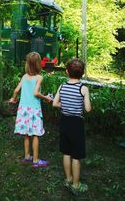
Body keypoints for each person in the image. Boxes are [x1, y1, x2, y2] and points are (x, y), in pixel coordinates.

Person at [53, 58, 91, 194]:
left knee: (66, 152)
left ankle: (68, 178)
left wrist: (65, 105)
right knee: (76, 155)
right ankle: (76, 185)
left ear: (67, 71)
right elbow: (87, 109)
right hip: (76, 124)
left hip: (64, 122)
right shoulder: (83, 88)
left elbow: (55, 103)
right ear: (82, 73)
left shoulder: (62, 86)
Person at [9, 52, 52, 168]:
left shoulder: (24, 77)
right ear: (39, 64)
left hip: (23, 109)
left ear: (27, 64)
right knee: (36, 135)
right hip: (34, 110)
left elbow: (16, 90)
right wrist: (46, 98)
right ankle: (36, 160)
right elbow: (36, 93)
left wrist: (13, 99)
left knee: (27, 135)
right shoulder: (39, 77)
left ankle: (27, 156)